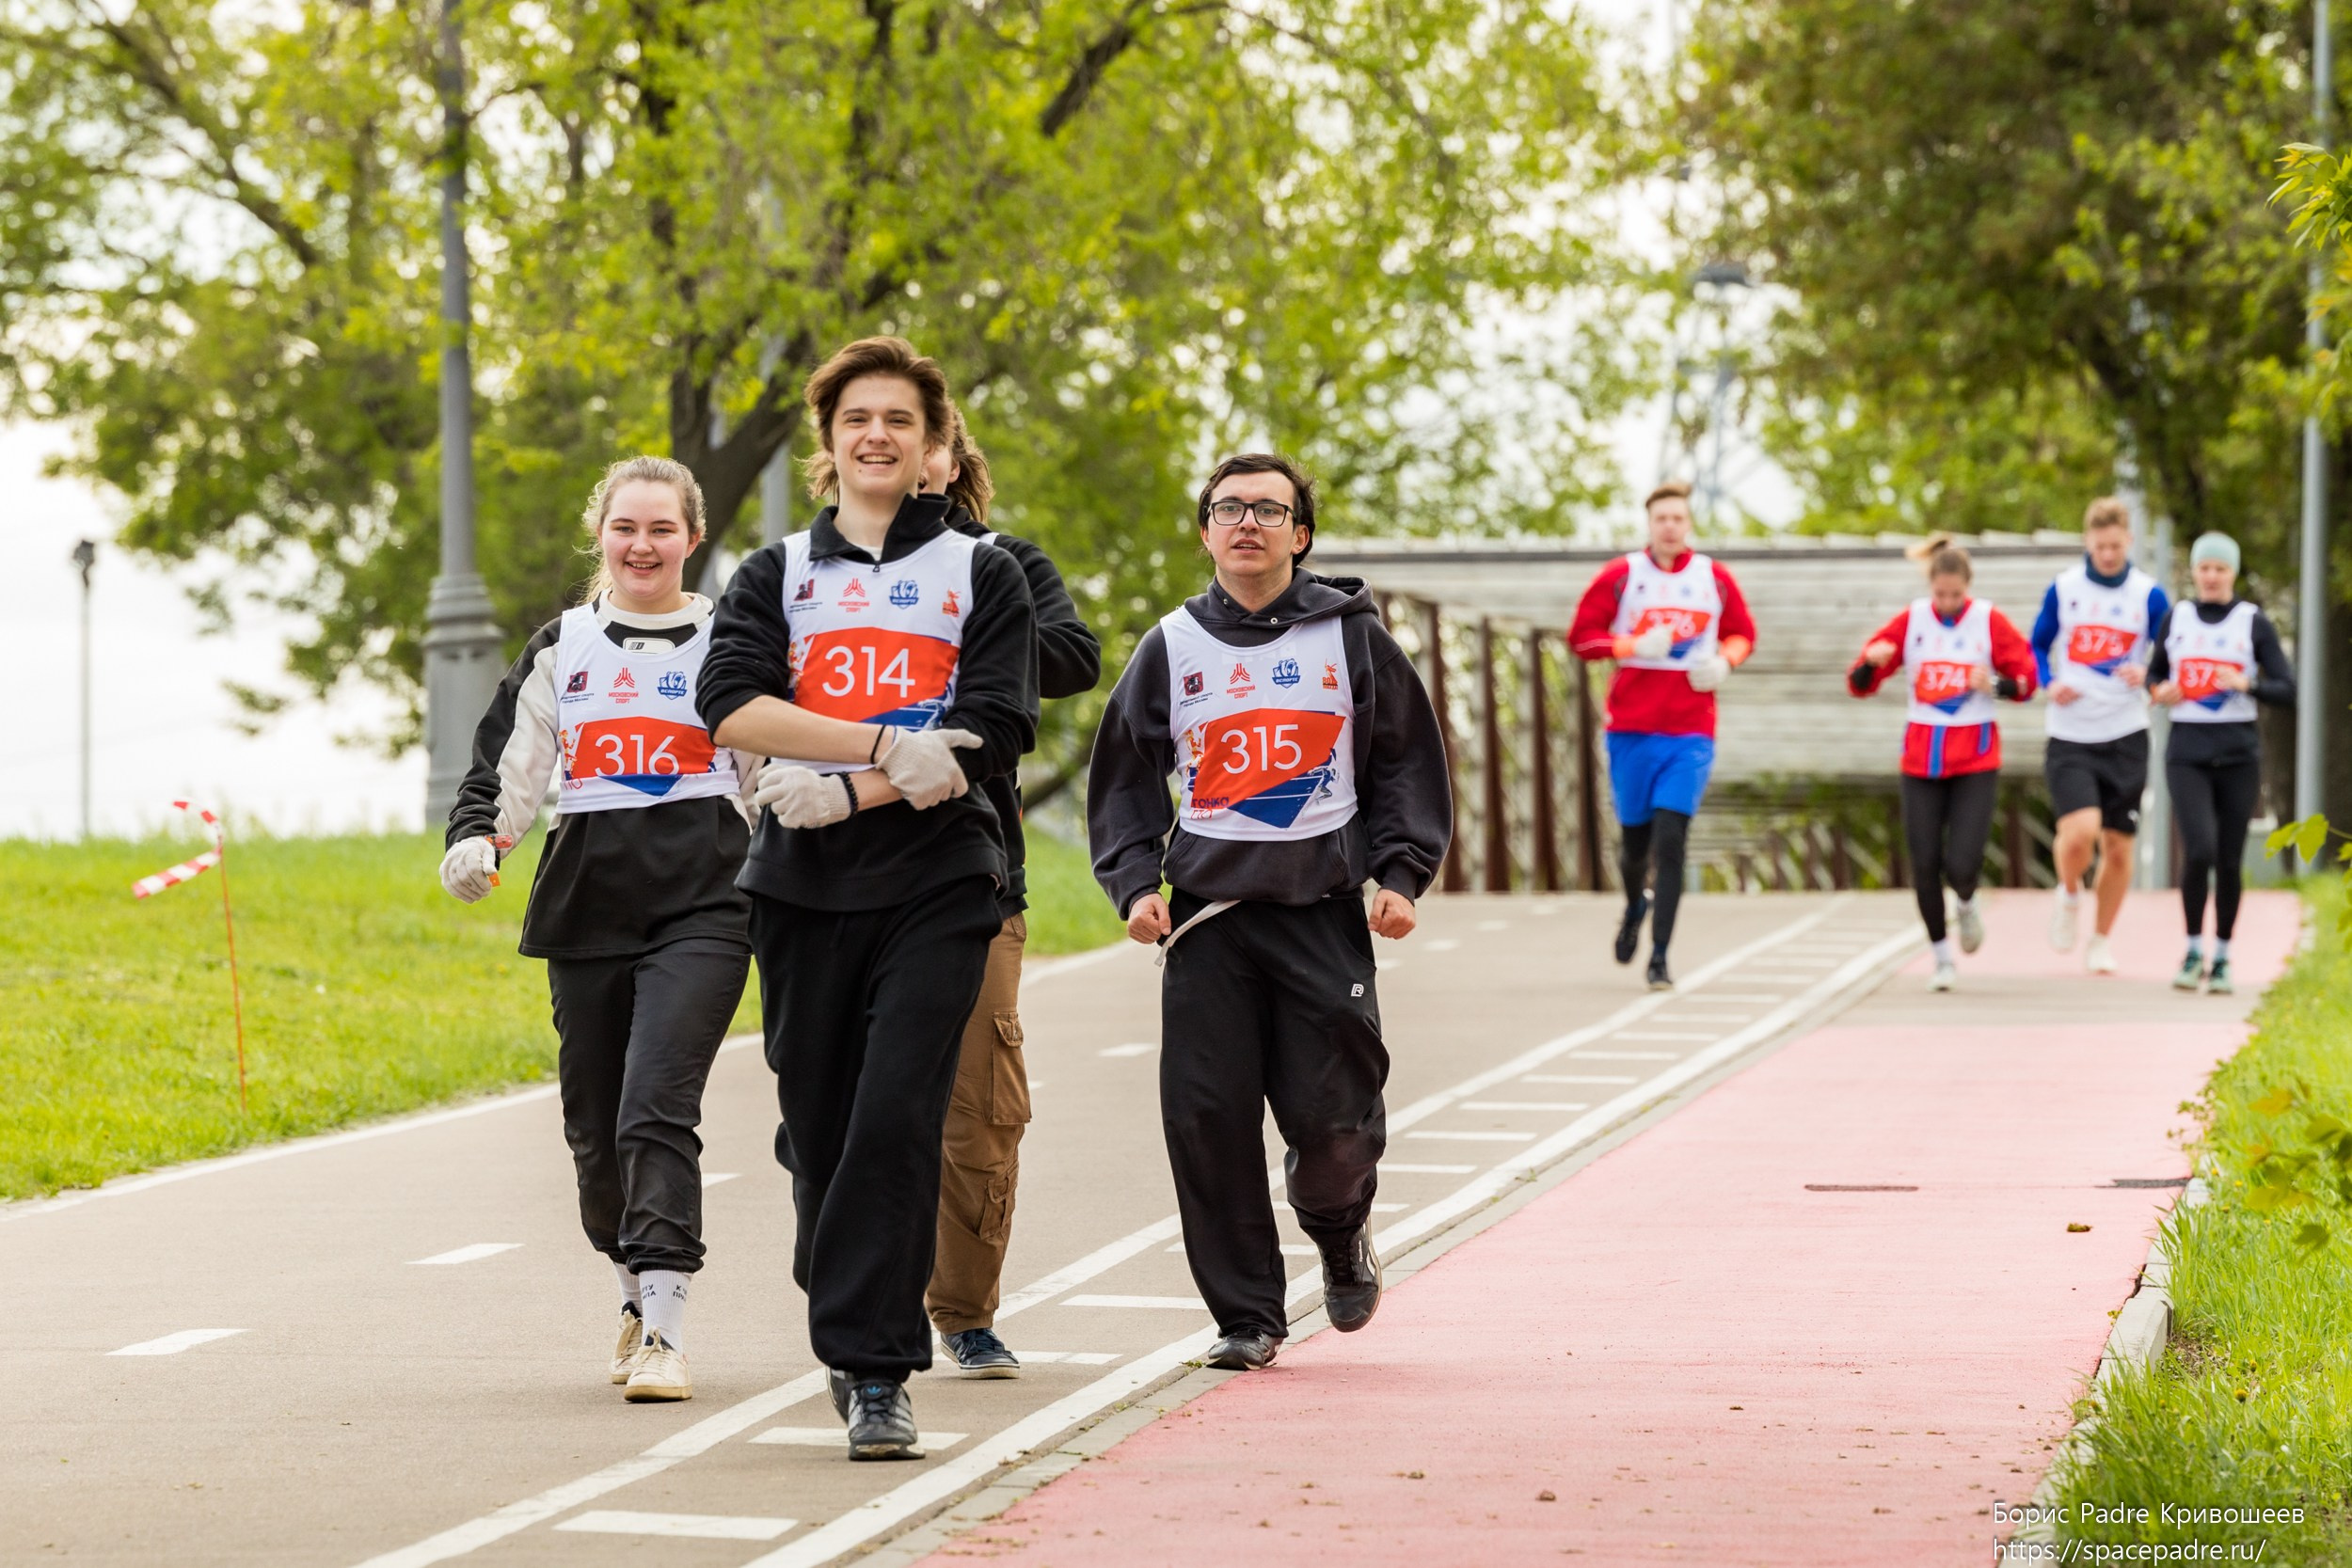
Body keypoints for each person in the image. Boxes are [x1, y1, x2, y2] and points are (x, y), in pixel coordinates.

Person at [697, 338, 1037, 1460]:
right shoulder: (775, 571)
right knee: (823, 1129)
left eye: (899, 419)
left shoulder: (983, 572)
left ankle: (878, 1372)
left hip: (942, 878)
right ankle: (845, 1277)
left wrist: (856, 786)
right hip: (800, 885)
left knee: (897, 1115)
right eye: (857, 418)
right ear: (830, 442)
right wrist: (887, 744)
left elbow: (997, 724)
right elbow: (730, 701)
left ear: (933, 444)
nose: (877, 435)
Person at [1089, 452, 1453, 1372]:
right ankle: (1247, 1315)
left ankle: (1337, 1229)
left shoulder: (1350, 638)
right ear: (1205, 531)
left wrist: (1400, 873)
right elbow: (1125, 775)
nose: (1246, 522)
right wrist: (1134, 883)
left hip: (1320, 914)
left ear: (1302, 534)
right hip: (1207, 923)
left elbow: (1406, 757)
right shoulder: (1171, 645)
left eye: (1268, 509)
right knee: (1207, 1123)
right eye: (1228, 508)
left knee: (1336, 1125)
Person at [441, 455, 758, 1405]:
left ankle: (666, 1328)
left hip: (706, 905)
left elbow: (771, 774)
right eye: (626, 527)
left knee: (654, 1105)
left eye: (662, 528)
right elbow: (509, 767)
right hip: (588, 908)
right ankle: (628, 1289)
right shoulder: (563, 644)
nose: (642, 545)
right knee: (594, 1124)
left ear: (692, 537)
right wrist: (477, 840)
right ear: (601, 535)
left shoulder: (735, 642)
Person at [917, 406, 1102, 1375]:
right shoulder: (810, 575)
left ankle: (964, 1310)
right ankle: (867, 1312)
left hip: (977, 874)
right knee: (851, 1108)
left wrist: (965, 615)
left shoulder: (1003, 563)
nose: (899, 451)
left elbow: (1076, 656)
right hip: (834, 876)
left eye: (921, 435)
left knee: (981, 1108)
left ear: (952, 460)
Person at [1567, 480, 1756, 990]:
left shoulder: (1714, 578)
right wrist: (1630, 645)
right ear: (1649, 524)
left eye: (1678, 518)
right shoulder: (1623, 575)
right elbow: (1581, 639)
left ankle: (1660, 957)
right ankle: (1635, 904)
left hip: (1691, 731)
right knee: (1635, 847)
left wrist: (1725, 661)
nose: (1670, 526)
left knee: (1671, 839)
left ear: (1689, 523)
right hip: (1631, 729)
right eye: (1661, 519)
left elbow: (1743, 633)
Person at [1847, 535, 2038, 991]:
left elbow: (2027, 678)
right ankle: (1941, 957)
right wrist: (1871, 662)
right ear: (1930, 587)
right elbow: (1860, 682)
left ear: (1967, 588)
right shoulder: (1913, 620)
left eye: (1956, 595)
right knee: (1925, 861)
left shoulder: (1987, 620)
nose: (1948, 603)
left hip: (1975, 758)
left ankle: (1967, 902)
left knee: (1963, 863)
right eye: (1940, 594)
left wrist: (1994, 684)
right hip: (1922, 761)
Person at [2147, 532, 2295, 995]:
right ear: (2194, 572)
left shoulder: (2252, 622)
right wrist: (2160, 691)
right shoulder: (2177, 617)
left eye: (2220, 568)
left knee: (2229, 860)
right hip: (2187, 752)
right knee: (2200, 850)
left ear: (2232, 573)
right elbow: (2154, 673)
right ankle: (2193, 950)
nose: (2211, 577)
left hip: (2238, 754)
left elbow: (2288, 690)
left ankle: (2224, 956)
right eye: (2204, 568)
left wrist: (2247, 684)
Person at [2030, 496, 2169, 974]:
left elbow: (2170, 653)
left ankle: (2101, 939)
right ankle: (2069, 893)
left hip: (2126, 732)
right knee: (2080, 832)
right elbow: (2037, 645)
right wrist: (2050, 682)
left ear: (2128, 541)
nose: (2108, 555)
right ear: (2087, 542)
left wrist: (2148, 675)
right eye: (2099, 546)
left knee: (2118, 846)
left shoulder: (2149, 594)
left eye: (2115, 546)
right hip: (2071, 731)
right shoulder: (2065, 589)